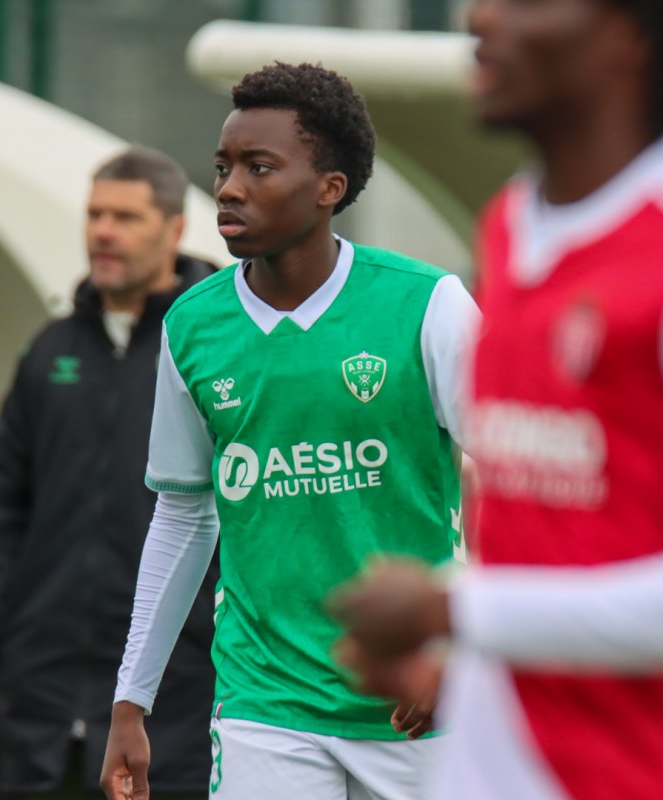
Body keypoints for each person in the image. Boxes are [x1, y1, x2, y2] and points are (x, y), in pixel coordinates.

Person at [329, 0, 663, 798]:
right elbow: (540, 542)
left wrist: (449, 610)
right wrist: (454, 666)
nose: (480, 17)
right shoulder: (509, 227)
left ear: (630, 34)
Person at [100, 62, 479, 800]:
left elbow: (518, 485)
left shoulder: (428, 305)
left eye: (260, 167)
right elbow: (183, 514)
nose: (229, 188)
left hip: (416, 703)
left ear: (330, 187)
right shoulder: (193, 326)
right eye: (223, 167)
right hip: (264, 705)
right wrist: (130, 700)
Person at [0, 147, 219, 800]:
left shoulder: (213, 347)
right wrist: (5, 619)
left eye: (126, 217)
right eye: (95, 215)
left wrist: (209, 623)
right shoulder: (48, 352)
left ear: (174, 229)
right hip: (43, 695)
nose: (104, 232)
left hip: (178, 694)